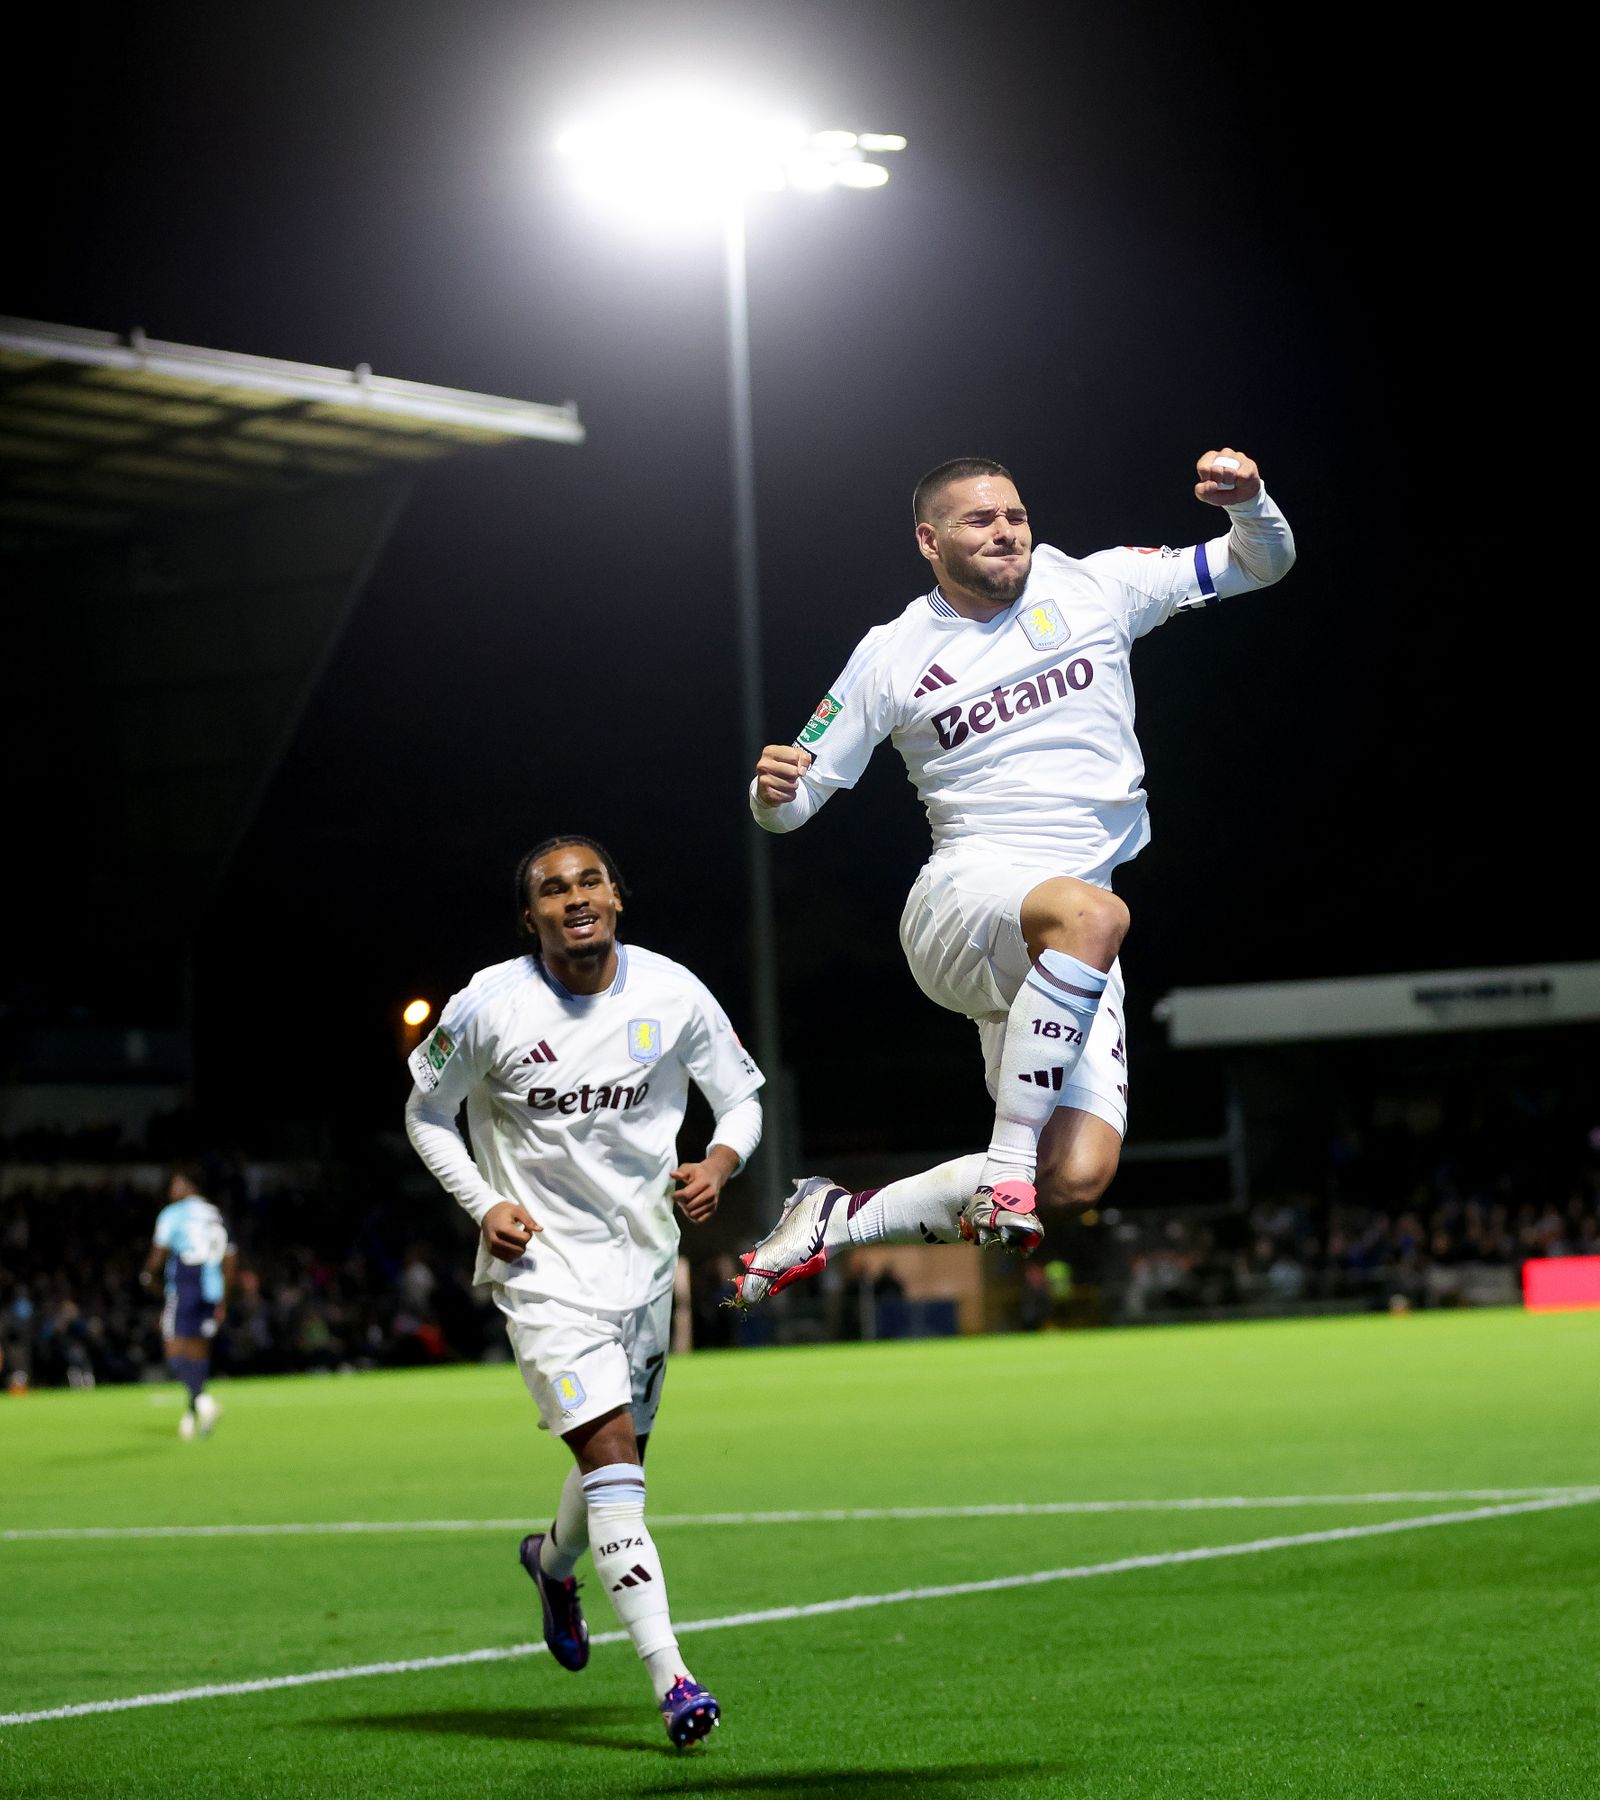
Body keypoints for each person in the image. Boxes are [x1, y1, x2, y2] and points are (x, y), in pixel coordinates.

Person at [733, 449, 1295, 1305]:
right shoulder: (891, 654)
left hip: (1070, 945)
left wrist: (1252, 505)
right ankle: (1003, 1168)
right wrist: (770, 792)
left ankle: (837, 1218)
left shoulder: (1097, 586)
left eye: (1016, 515)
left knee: (1074, 1179)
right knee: (1097, 918)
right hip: (967, 899)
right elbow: (794, 803)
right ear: (929, 539)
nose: (1006, 531)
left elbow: (1263, 562)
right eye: (980, 519)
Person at [404, 834, 763, 1750]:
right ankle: (674, 1680)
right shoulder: (488, 1005)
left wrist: (720, 1162)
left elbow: (744, 1099)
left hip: (644, 1268)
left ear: (616, 897)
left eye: (590, 881)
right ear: (531, 918)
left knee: (618, 1469)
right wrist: (485, 1204)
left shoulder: (673, 991)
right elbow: (426, 1114)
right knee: (616, 1477)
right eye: (554, 889)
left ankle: (551, 1565)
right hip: (544, 1276)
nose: (576, 898)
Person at [141, 1164, 235, 1437]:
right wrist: (223, 1299)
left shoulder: (174, 1214)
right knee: (197, 1351)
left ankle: (203, 1402)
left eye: (176, 1184)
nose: (172, 1190)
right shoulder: (215, 1213)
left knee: (173, 1350)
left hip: (185, 1283)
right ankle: (192, 1414)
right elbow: (230, 1258)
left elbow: (158, 1253)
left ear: (188, 1185)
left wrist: (147, 1277)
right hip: (212, 1287)